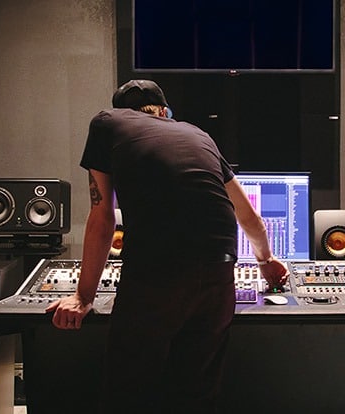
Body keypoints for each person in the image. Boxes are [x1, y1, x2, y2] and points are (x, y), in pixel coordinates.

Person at [46, 79, 289, 413]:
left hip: (156, 274)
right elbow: (249, 218)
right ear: (163, 112)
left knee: (127, 393)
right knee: (195, 394)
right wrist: (266, 261)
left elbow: (102, 217)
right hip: (218, 274)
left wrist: (83, 297)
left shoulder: (107, 123)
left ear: (124, 112)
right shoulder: (199, 135)